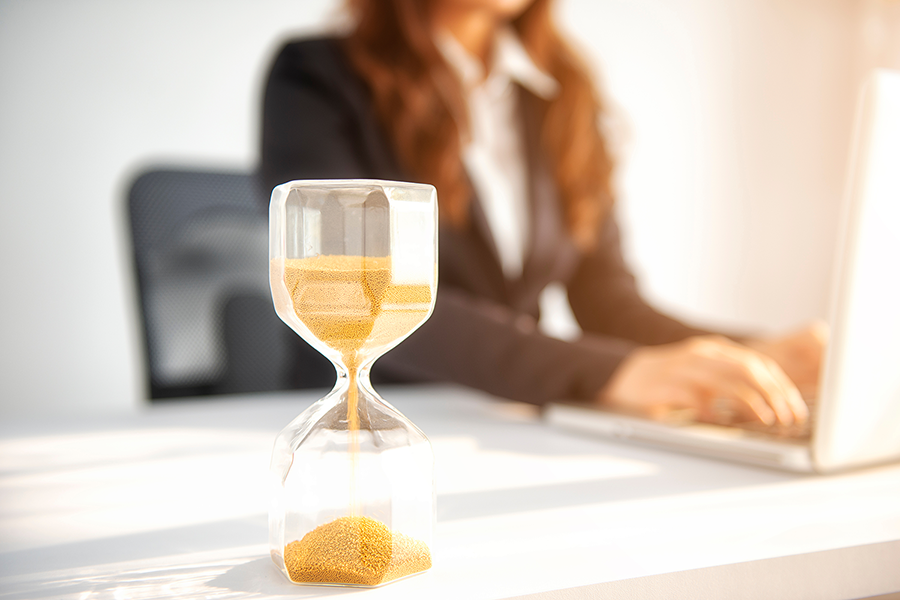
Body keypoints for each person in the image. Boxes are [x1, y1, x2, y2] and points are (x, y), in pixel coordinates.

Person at [259, 0, 826, 428]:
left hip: (514, 423)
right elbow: (362, 296)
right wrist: (606, 372)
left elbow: (608, 301)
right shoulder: (316, 76)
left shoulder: (562, 95)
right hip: (368, 421)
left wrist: (753, 356)